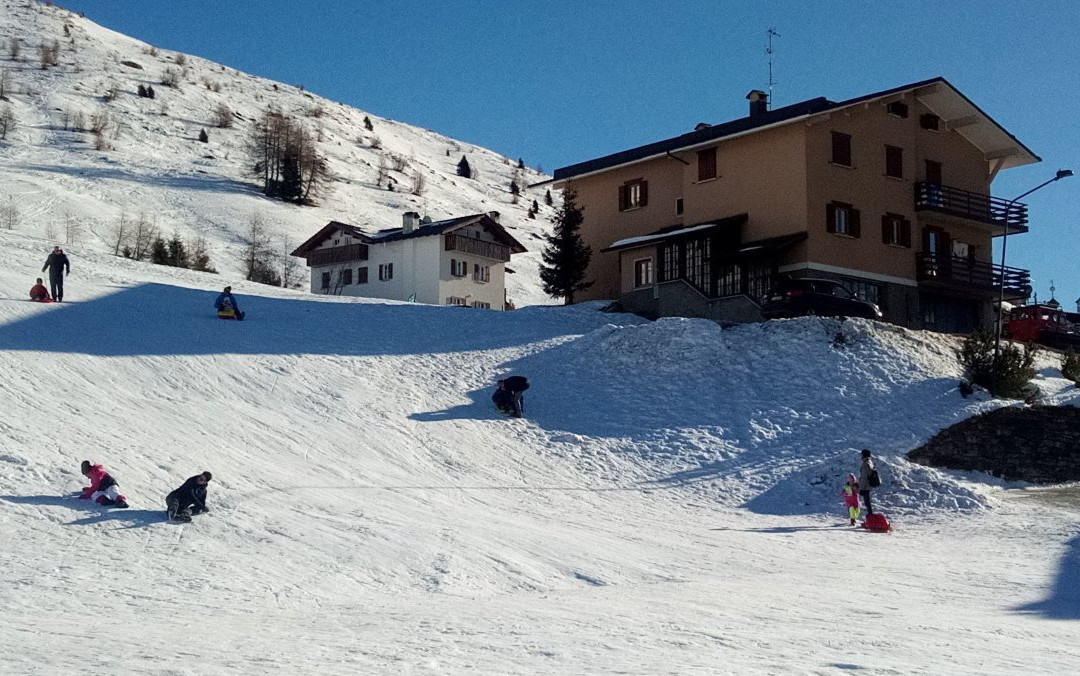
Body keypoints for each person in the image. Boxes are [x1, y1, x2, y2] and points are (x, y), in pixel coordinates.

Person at [858, 449, 875, 516]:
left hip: (865, 486)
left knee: (867, 502)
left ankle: (870, 516)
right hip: (868, 485)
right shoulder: (869, 462)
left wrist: (861, 488)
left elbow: (864, 477)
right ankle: (870, 515)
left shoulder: (865, 464)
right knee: (867, 502)